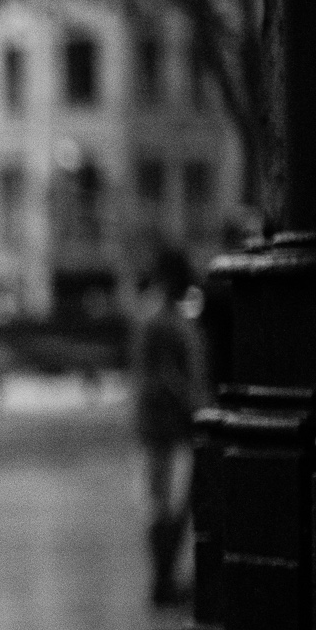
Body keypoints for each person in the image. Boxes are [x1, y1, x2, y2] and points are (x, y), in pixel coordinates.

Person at [134, 247, 206, 606]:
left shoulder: (156, 314)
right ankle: (163, 579)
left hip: (160, 423)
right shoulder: (163, 319)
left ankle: (163, 578)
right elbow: (168, 374)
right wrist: (193, 405)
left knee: (163, 500)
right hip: (171, 423)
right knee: (170, 502)